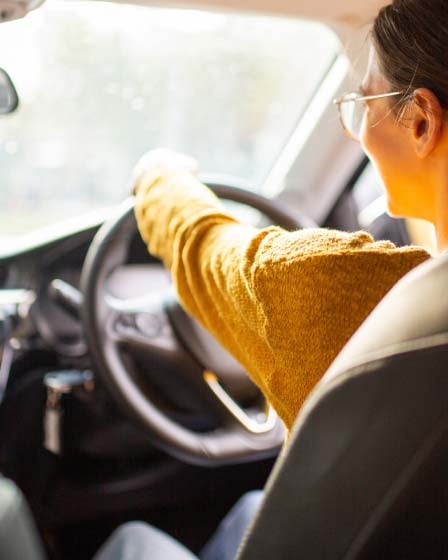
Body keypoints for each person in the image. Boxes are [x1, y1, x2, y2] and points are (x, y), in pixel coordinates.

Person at [94, 0, 445, 558]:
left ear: (422, 121)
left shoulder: (338, 288)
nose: (358, 134)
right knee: (250, 510)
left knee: (131, 544)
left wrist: (157, 174)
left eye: (362, 107)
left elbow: (202, 245)